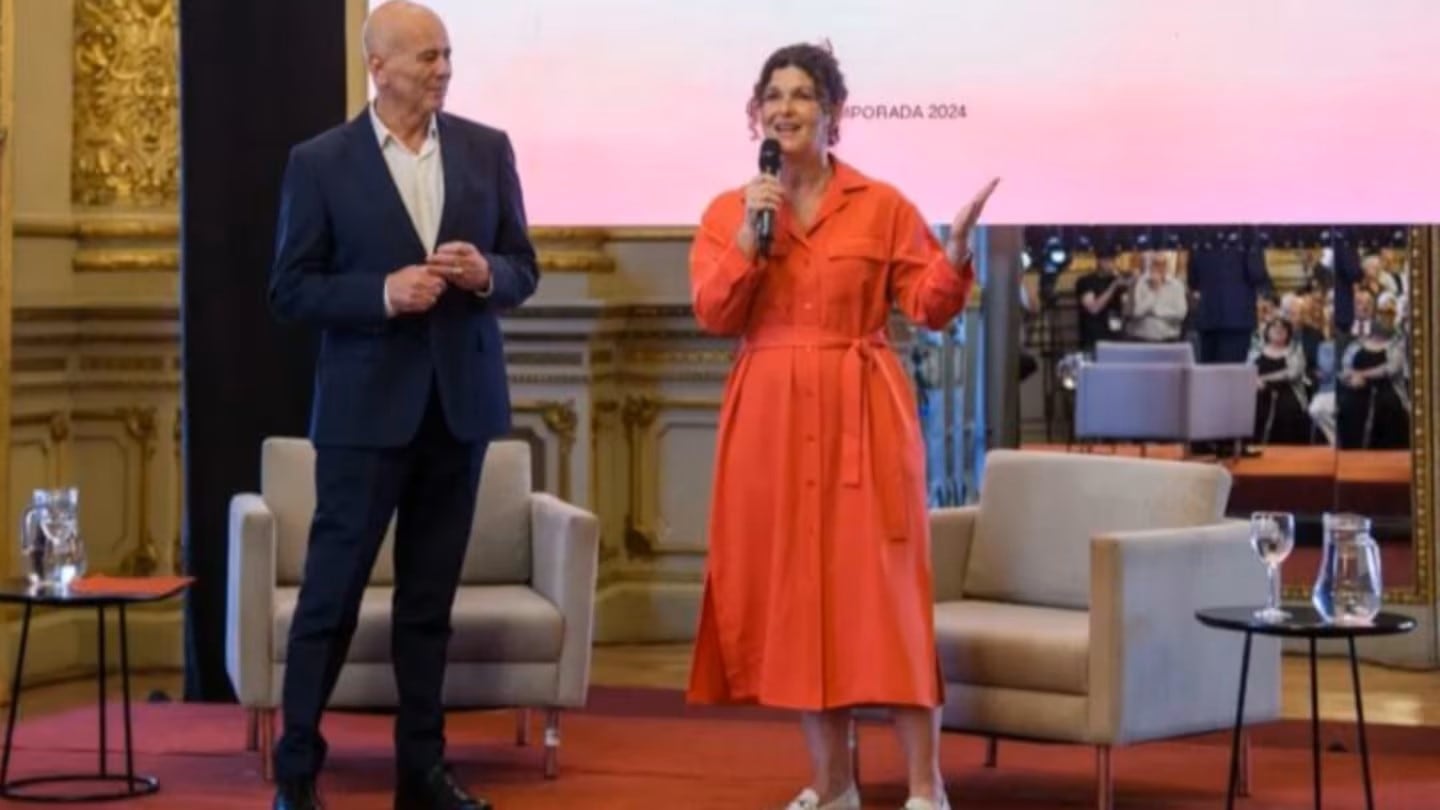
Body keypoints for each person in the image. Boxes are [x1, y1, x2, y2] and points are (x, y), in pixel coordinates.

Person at [685, 42, 998, 810]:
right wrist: (750, 245)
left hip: (865, 414)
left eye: (803, 95)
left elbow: (926, 306)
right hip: (770, 419)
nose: (786, 108)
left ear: (833, 115)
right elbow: (716, 313)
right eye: (774, 96)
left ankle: (926, 787)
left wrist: (952, 258)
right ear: (755, 113)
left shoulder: (881, 204)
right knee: (799, 602)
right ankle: (833, 789)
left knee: (883, 596)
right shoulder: (731, 211)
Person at [266, 2, 538, 808]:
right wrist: (383, 292)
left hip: (460, 409)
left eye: (448, 55)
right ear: (377, 66)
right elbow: (290, 289)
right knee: (329, 599)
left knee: (429, 605)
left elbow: (524, 267)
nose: (443, 70)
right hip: (363, 416)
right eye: (427, 56)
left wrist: (484, 273)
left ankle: (421, 773)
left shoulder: (488, 150)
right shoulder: (319, 162)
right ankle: (297, 775)